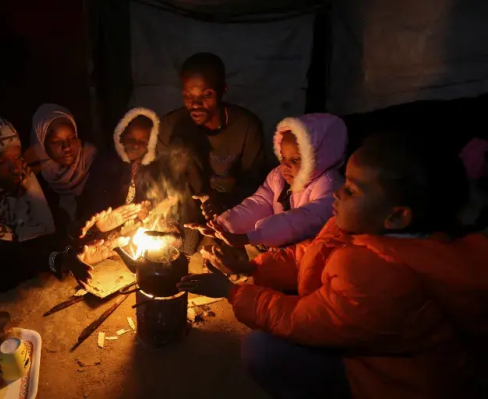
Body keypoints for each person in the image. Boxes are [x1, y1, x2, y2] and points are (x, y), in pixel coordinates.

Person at [178, 132, 488, 399]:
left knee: (262, 349)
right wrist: (253, 267)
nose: (338, 190)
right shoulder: (366, 227)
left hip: (389, 383)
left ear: (396, 216)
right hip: (358, 337)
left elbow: (302, 320)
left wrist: (233, 292)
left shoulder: (383, 278)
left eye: (352, 189)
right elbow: (311, 255)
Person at [0, 113, 135, 294]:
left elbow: (52, 229)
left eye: (16, 156)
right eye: (0, 162)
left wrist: (86, 233)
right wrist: (56, 260)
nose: (16, 168)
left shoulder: (20, 182)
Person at [187, 113, 347, 249]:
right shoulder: (278, 177)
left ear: (318, 158)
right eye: (283, 157)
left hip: (308, 255)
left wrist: (251, 237)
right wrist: (224, 225)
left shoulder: (329, 186)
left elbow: (303, 221)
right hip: (277, 248)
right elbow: (259, 203)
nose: (286, 165)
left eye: (296, 159)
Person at [158, 52, 266, 216]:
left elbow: (254, 184)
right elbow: (162, 181)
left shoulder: (247, 127)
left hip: (232, 210)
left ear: (222, 90)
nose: (195, 105)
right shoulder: (170, 126)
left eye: (206, 95)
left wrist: (222, 203)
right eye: (188, 96)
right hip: (185, 212)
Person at [26, 103, 98, 232]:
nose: (67, 147)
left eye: (72, 138)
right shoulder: (35, 172)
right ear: (42, 143)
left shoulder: (93, 160)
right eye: (56, 142)